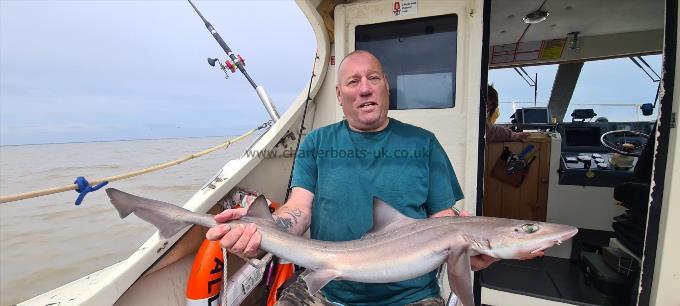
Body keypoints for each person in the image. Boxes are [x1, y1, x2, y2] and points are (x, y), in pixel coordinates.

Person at [206, 50, 498, 305]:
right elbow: (299, 208)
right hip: (327, 289)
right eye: (353, 81)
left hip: (411, 296)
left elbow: (443, 221)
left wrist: (467, 252)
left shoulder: (424, 143)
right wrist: (261, 231)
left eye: (373, 78)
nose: (365, 89)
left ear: (386, 86)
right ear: (339, 95)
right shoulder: (316, 143)